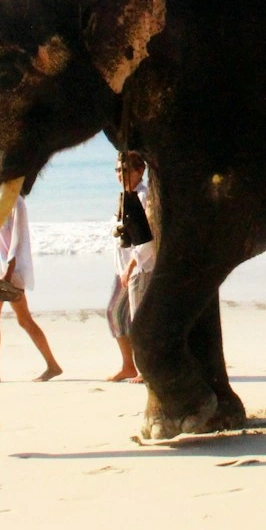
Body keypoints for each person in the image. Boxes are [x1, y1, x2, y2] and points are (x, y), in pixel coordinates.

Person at [0, 192, 62, 383]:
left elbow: (17, 238)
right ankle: (52, 365)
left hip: (9, 272)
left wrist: (8, 272)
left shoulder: (16, 202)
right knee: (23, 320)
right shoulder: (0, 199)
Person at [105, 152, 156, 382]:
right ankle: (128, 365)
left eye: (125, 170)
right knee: (115, 313)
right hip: (123, 268)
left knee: (138, 319)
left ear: (139, 171)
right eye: (117, 170)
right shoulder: (126, 196)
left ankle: (146, 368)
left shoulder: (144, 196)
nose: (120, 175)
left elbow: (147, 239)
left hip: (139, 267)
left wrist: (131, 266)